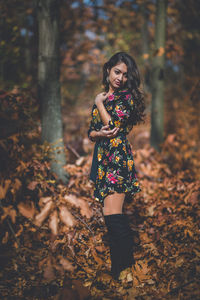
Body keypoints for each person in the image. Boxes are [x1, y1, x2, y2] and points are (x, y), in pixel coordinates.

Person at [87, 52, 145, 281]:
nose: (120, 78)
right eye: (117, 72)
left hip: (117, 158)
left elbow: (111, 127)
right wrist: (96, 133)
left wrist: (99, 103)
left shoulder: (126, 98)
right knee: (109, 214)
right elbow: (92, 131)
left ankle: (125, 268)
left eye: (125, 74)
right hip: (103, 158)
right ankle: (121, 268)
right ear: (108, 70)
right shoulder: (104, 96)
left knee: (113, 215)